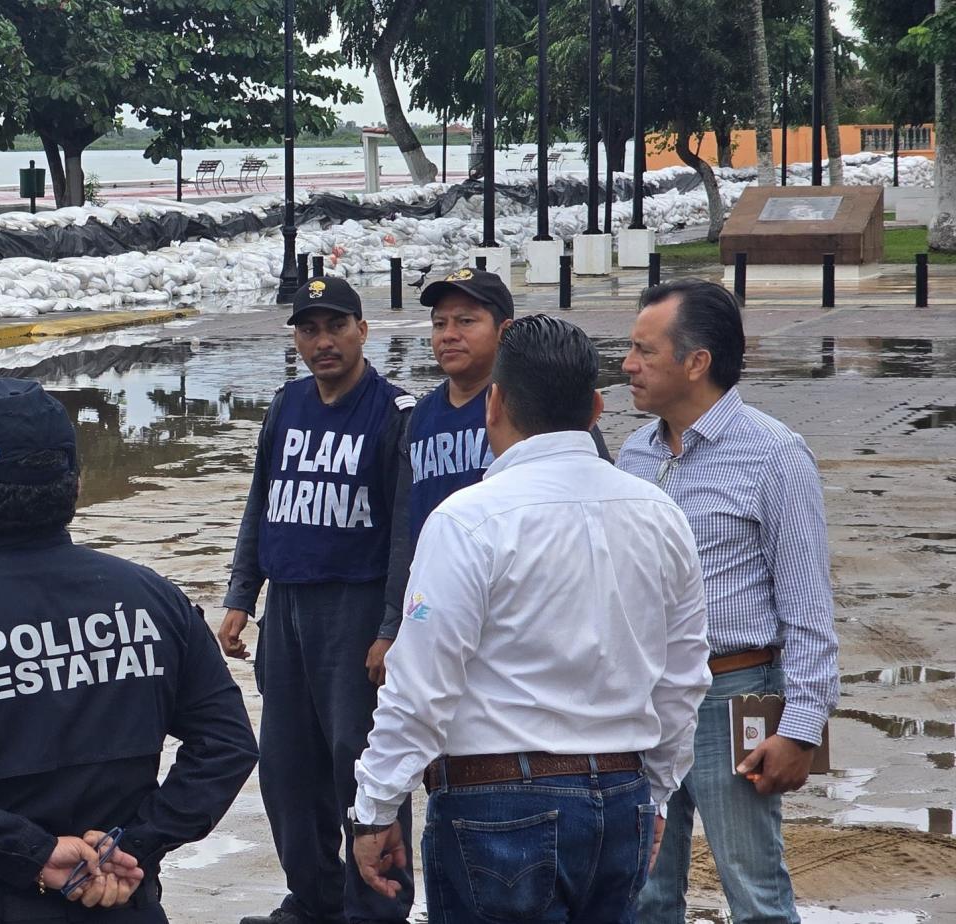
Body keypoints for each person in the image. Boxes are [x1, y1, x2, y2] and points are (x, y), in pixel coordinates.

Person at [348, 314, 713, 924]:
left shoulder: (469, 520)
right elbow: (683, 677)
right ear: (597, 407)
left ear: (495, 404)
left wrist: (375, 809)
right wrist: (654, 794)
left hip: (497, 808)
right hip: (619, 797)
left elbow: (420, 688)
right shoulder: (660, 514)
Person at [0, 376, 260, 923]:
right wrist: (134, 845)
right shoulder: (155, 601)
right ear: (74, 491)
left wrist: (35, 853)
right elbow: (228, 746)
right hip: (125, 899)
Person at [622, 280, 841, 924]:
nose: (627, 366)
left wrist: (800, 729)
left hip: (730, 694)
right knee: (643, 892)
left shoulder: (773, 454)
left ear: (697, 362)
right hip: (645, 700)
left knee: (756, 894)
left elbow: (807, 605)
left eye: (644, 351)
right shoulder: (636, 454)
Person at [221, 276, 417, 924]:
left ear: (364, 330)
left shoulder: (394, 413)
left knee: (359, 763)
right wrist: (241, 597)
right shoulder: (285, 405)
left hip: (354, 608)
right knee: (285, 771)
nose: (323, 341)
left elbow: (403, 534)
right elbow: (261, 505)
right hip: (288, 610)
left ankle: (377, 908)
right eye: (310, 329)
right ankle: (313, 899)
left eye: (337, 326)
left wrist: (391, 626)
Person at [379, 268, 611, 681]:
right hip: (436, 603)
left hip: (521, 606)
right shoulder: (419, 416)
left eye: (466, 321)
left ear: (504, 331)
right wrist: (391, 626)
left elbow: (595, 494)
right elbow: (404, 525)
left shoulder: (539, 408)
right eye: (439, 324)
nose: (449, 334)